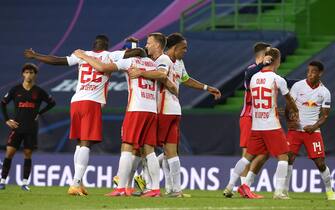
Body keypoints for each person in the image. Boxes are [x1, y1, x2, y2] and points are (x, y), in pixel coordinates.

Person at [24, 34, 126, 196]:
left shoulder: (81, 55)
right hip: (91, 103)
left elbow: (57, 61)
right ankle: (75, 184)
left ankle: (78, 182)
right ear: (107, 46)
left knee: (80, 143)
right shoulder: (110, 55)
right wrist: (133, 45)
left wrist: (36, 55)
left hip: (76, 101)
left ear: (93, 45)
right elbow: (132, 54)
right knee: (86, 143)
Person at [72, 46, 177, 197]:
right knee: (149, 150)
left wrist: (83, 55)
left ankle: (120, 188)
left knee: (127, 146)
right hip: (152, 110)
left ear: (134, 54)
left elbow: (101, 67)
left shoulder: (130, 62)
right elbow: (172, 86)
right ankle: (154, 189)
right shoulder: (154, 66)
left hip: (136, 109)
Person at [130, 32, 221, 197]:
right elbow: (174, 79)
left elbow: (183, 79)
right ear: (173, 48)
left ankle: (147, 184)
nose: (185, 51)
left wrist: (206, 88)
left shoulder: (169, 62)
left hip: (163, 110)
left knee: (148, 148)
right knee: (170, 152)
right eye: (183, 48)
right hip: (173, 111)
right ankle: (174, 190)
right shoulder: (168, 61)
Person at [223, 48, 298, 199]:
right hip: (271, 125)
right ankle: (278, 192)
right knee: (284, 157)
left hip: (256, 125)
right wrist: (295, 110)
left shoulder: (254, 78)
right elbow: (289, 98)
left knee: (247, 158)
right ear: (277, 61)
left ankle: (231, 187)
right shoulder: (277, 79)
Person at [0, 63, 55, 191]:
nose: (29, 75)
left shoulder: (39, 91)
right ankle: (2, 181)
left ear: (35, 75)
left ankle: (24, 183)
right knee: (9, 153)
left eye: (31, 72)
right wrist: (7, 119)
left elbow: (52, 103)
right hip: (17, 126)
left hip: (31, 128)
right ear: (23, 74)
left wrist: (39, 113)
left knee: (28, 154)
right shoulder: (16, 90)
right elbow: (3, 103)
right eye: (27, 72)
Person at [285, 61, 335, 200]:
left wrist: (314, 127)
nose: (309, 74)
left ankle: (330, 191)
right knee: (288, 159)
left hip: (312, 132)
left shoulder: (324, 92)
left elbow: (325, 115)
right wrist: (290, 121)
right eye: (308, 71)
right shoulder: (298, 86)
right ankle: (284, 191)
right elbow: (289, 106)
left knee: (320, 163)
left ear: (320, 73)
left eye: (313, 72)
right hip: (296, 130)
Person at [239, 42, 271, 191]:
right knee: (247, 152)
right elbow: (249, 76)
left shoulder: (268, 74)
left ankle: (246, 185)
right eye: (269, 54)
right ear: (263, 56)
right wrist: (261, 65)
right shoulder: (252, 70)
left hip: (261, 119)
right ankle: (242, 186)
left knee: (265, 152)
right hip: (248, 117)